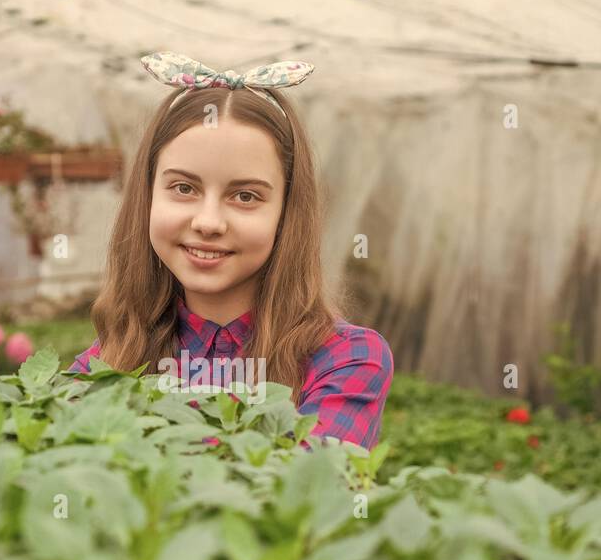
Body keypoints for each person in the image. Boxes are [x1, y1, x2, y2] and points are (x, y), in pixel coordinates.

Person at [68, 52, 392, 450]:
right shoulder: (105, 362)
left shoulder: (345, 360)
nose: (208, 222)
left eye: (244, 195)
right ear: (147, 196)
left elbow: (306, 491)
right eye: (184, 188)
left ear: (286, 213)